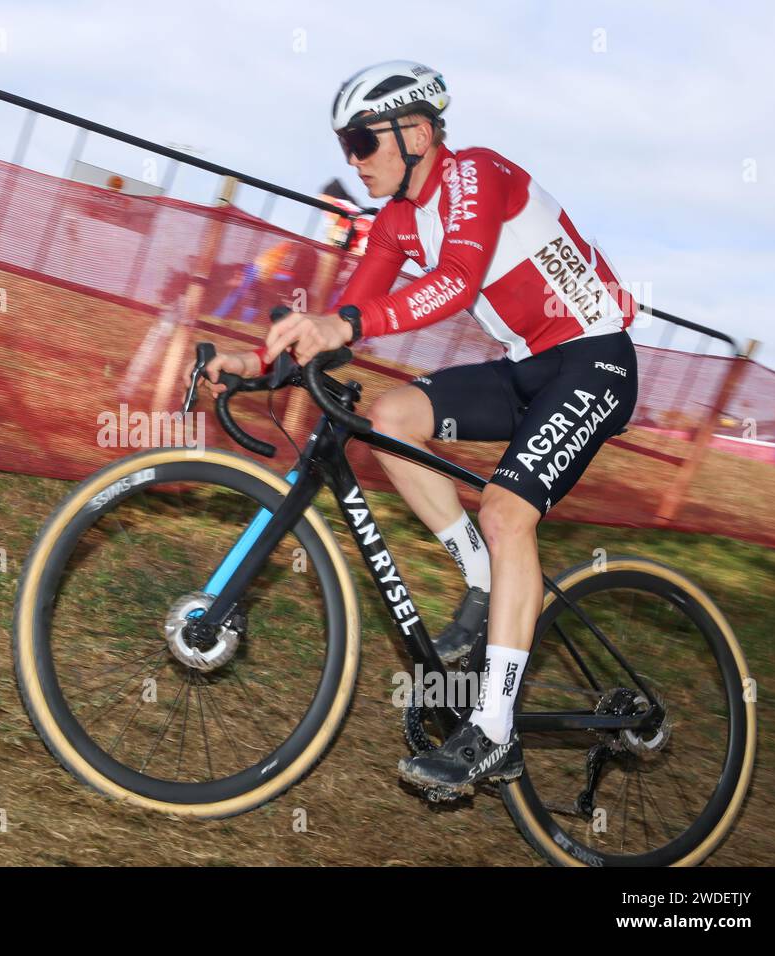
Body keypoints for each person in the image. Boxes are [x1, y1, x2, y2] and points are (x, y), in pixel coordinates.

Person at [190, 60, 640, 795]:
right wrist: (253, 363)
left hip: (593, 359)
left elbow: (459, 278)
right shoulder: (398, 220)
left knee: (506, 510)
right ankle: (483, 574)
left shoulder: (476, 174)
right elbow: (344, 323)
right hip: (528, 366)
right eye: (345, 145)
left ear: (418, 130)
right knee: (391, 415)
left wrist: (344, 320)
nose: (353, 160)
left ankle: (493, 734)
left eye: (363, 141)